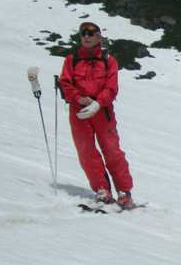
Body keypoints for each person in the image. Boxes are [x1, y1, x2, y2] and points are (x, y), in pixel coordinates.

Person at [58, 21, 135, 206]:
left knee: (112, 150)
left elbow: (111, 87)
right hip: (79, 111)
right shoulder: (72, 59)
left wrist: (98, 103)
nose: (86, 36)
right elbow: (65, 83)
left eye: (90, 33)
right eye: (83, 33)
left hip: (102, 111)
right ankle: (102, 189)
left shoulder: (109, 60)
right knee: (86, 151)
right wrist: (79, 99)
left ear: (99, 36)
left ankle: (124, 191)